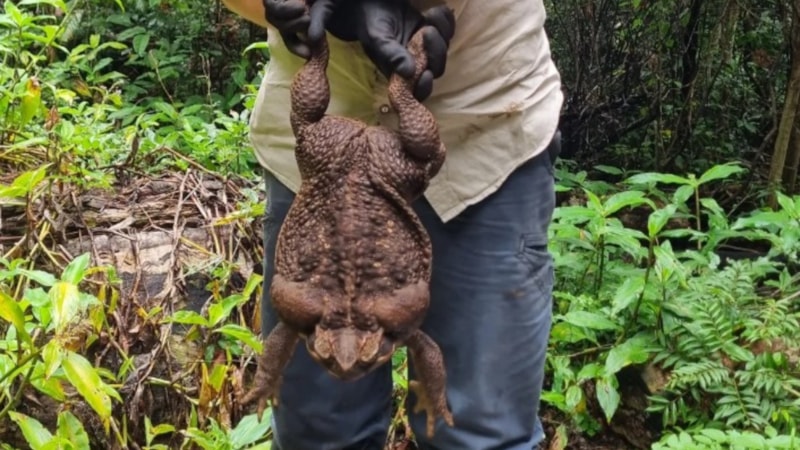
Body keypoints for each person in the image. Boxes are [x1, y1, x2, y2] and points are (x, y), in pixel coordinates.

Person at [221, 0, 563, 448]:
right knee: (316, 435)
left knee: (479, 433)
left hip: (481, 123)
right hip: (322, 159)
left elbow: (419, 342)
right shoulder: (320, 315)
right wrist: (321, 13)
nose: (346, 362)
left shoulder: (374, 317)